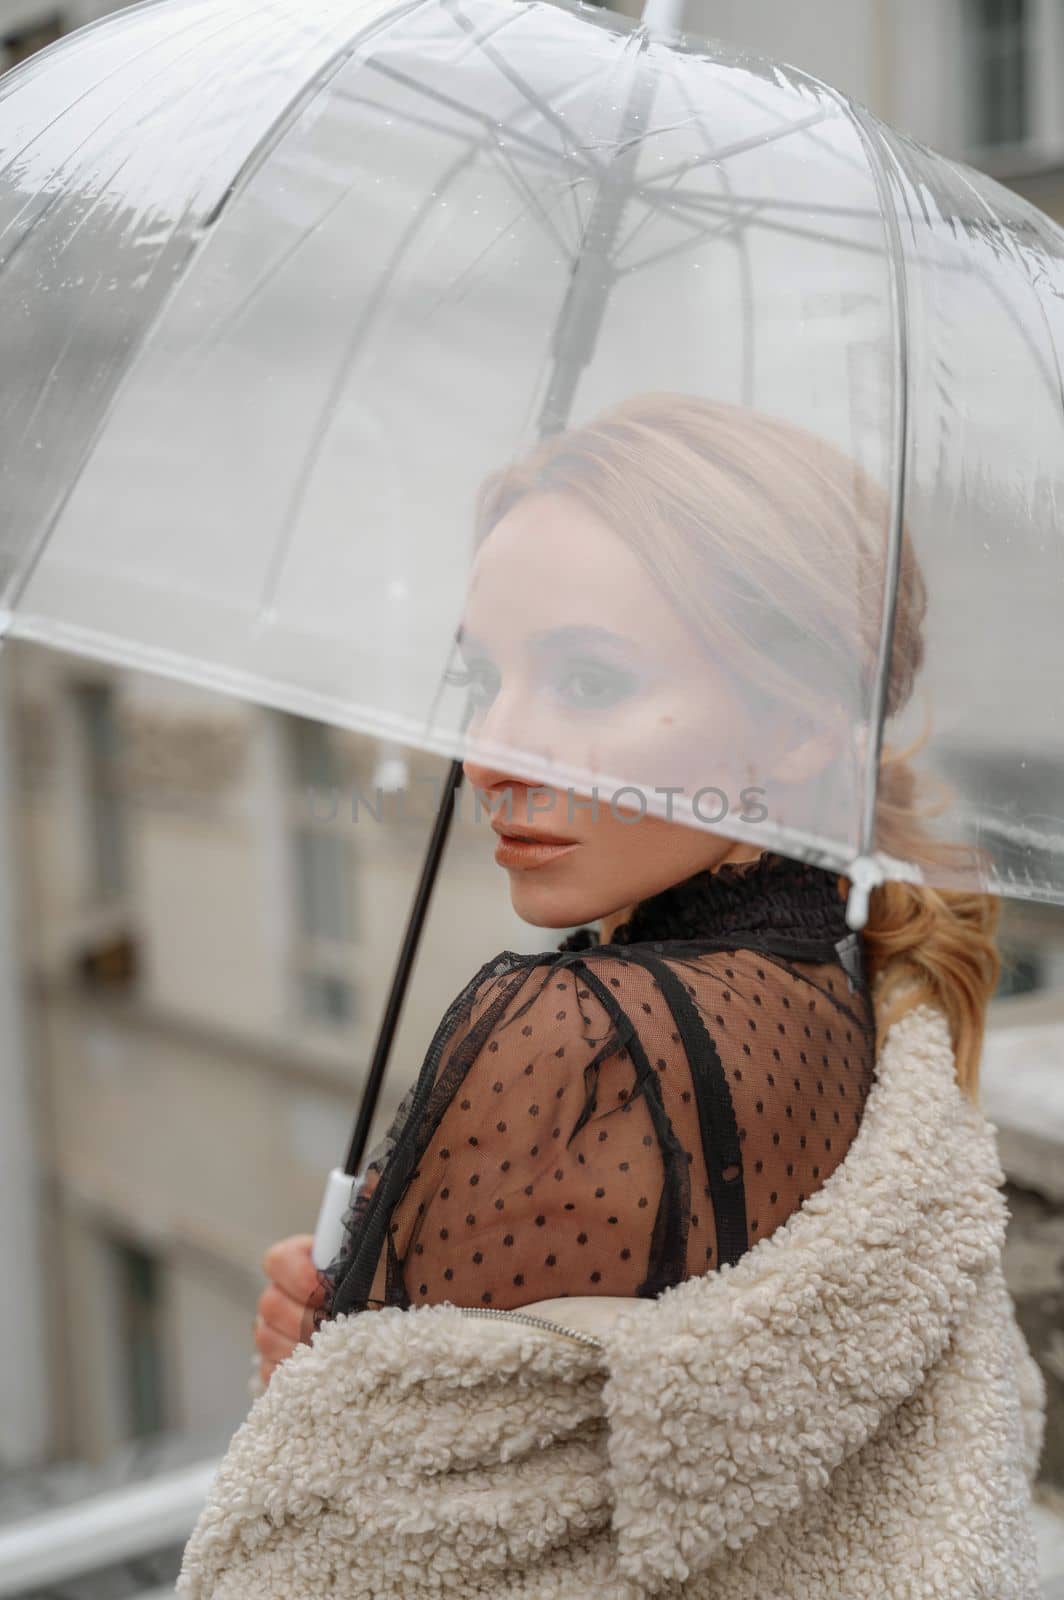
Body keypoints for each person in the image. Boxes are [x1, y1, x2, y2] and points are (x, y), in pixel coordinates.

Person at [252, 391, 1001, 1385]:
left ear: (796, 727)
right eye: (485, 680)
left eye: (589, 681)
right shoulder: (845, 980)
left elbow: (372, 1519)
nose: (487, 759)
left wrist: (304, 1376)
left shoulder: (577, 1038)